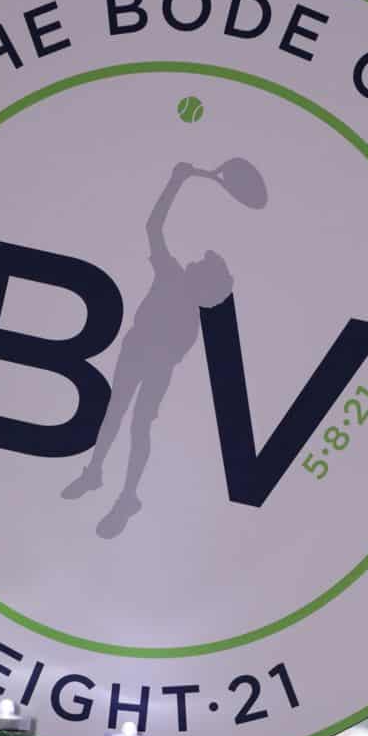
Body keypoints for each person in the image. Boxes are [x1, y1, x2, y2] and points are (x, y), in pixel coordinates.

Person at [61, 162, 232, 539]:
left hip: (149, 358)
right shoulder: (173, 278)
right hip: (139, 351)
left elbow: (153, 228)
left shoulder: (181, 296)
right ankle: (98, 475)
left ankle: (125, 494)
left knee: (134, 424)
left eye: (201, 264)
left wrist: (176, 181)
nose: (194, 260)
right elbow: (152, 227)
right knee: (117, 416)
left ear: (203, 280)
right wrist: (175, 182)